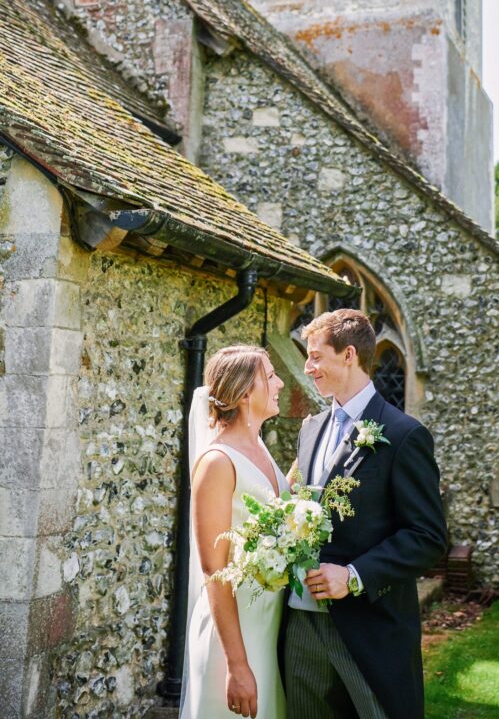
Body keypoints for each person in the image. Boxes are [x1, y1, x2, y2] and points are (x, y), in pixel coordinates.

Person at [283, 308, 448, 719]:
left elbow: (428, 537)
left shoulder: (403, 434)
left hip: (371, 626)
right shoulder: (310, 429)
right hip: (302, 622)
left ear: (350, 355)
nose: (308, 366)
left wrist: (354, 576)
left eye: (316, 356)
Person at [181, 345, 287, 719]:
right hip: (232, 635)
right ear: (245, 393)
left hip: (267, 623)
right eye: (271, 376)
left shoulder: (259, 447)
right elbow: (214, 569)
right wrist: (237, 665)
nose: (280, 383)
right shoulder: (216, 462)